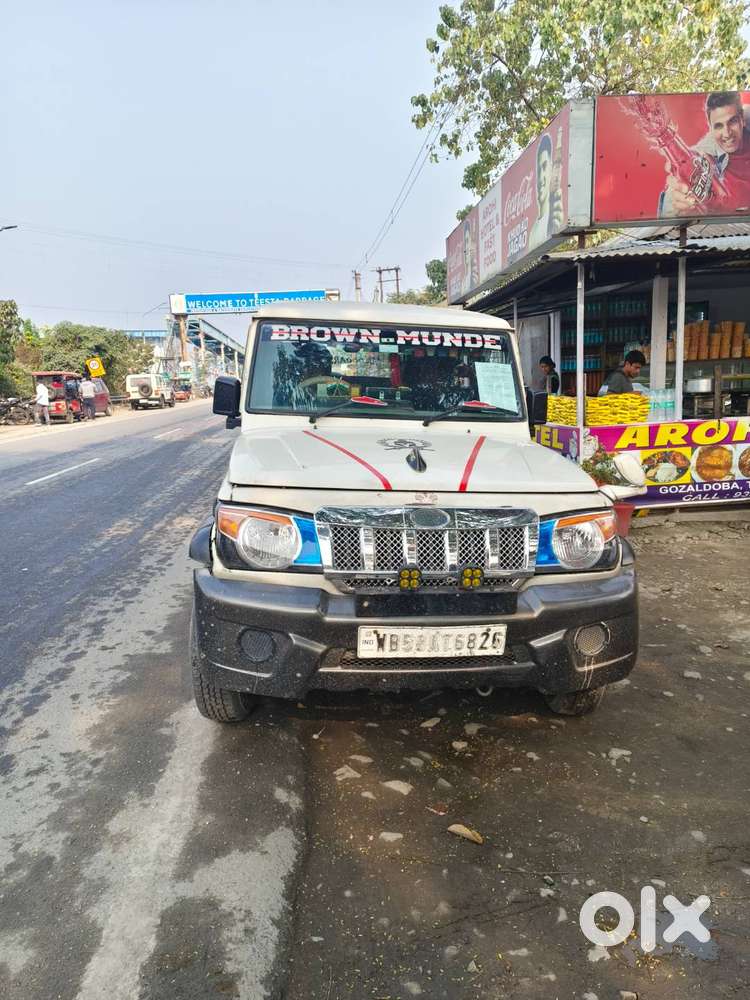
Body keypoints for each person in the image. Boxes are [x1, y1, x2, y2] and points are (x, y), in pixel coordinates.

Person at [660, 91, 750, 216]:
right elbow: (668, 207)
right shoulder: (703, 154)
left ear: (742, 119)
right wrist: (676, 205)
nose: (727, 133)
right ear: (710, 126)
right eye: (718, 126)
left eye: (732, 121)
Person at [529, 133, 564, 248]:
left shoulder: (560, 210)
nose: (541, 178)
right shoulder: (533, 233)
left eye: (544, 167)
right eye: (539, 170)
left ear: (551, 167)